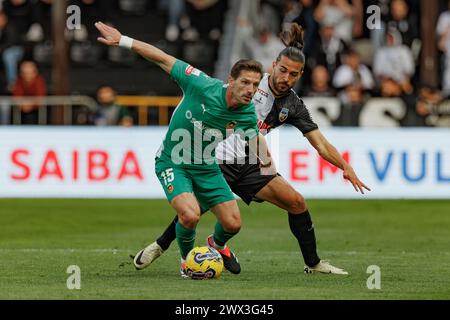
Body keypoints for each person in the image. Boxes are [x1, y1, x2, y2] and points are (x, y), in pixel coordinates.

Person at [134, 23, 370, 275]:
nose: (285, 78)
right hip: (217, 160)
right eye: (282, 70)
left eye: (293, 74)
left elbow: (319, 142)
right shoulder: (250, 83)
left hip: (250, 165)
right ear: (273, 67)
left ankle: (311, 263)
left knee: (296, 202)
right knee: (192, 212)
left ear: (300, 75)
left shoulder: (294, 105)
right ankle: (160, 245)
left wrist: (344, 165)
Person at [95, 21, 267, 276]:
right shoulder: (201, 84)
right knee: (190, 215)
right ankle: (189, 262)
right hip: (173, 161)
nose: (250, 90)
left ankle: (216, 245)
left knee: (233, 223)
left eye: (255, 85)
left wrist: (267, 174)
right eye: (245, 83)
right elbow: (162, 58)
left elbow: (256, 144)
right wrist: (123, 40)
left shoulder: (247, 114)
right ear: (230, 81)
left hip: (207, 168)